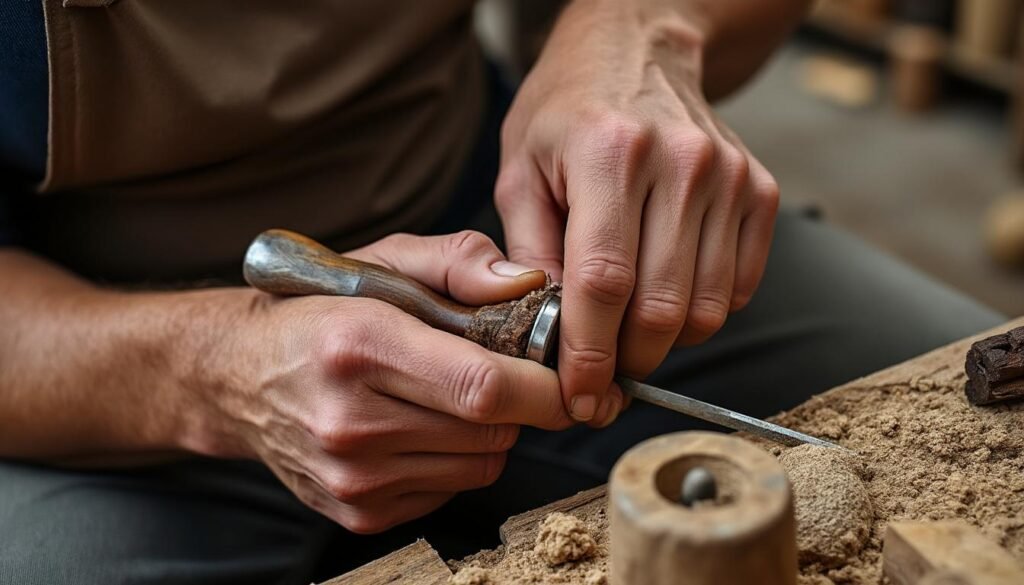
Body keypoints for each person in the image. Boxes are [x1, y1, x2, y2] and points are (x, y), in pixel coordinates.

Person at [0, 0, 1003, 582]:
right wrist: (209, 371)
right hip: (93, 340)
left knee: (975, 429)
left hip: (520, 224)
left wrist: (644, 24)